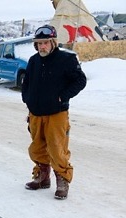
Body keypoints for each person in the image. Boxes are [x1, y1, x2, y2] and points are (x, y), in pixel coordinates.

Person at [21, 25, 87, 200]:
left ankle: (62, 181)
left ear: (53, 42)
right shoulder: (33, 61)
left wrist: (62, 96)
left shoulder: (66, 59)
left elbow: (80, 81)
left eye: (45, 43)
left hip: (56, 114)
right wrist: (27, 98)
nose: (42, 46)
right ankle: (43, 178)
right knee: (37, 148)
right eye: (39, 43)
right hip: (35, 113)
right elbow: (26, 82)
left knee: (57, 149)